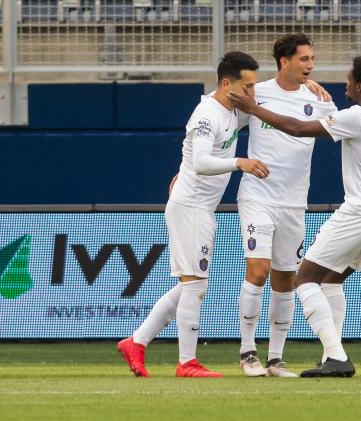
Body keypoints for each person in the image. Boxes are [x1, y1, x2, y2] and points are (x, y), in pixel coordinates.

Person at [229, 53, 361, 378]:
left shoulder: (357, 117)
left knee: (304, 278)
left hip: (360, 213)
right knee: (333, 279)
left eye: (351, 78)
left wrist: (254, 109)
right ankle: (331, 355)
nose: (345, 83)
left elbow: (297, 128)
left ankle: (337, 357)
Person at [117, 51, 268, 378]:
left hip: (200, 208)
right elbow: (200, 161)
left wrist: (306, 84)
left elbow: (270, 98)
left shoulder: (232, 108)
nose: (252, 94)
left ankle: (136, 342)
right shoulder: (206, 114)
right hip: (190, 208)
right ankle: (187, 363)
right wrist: (239, 163)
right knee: (195, 285)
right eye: (248, 87)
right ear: (227, 84)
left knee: (190, 285)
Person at [235, 33, 338, 377]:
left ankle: (275, 359)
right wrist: (188, 167)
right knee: (259, 271)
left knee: (285, 279)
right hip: (258, 195)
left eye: (312, 59)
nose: (311, 65)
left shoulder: (319, 99)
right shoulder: (257, 92)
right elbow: (218, 111)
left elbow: (351, 133)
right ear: (285, 61)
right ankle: (248, 353)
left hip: (294, 202)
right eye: (305, 59)